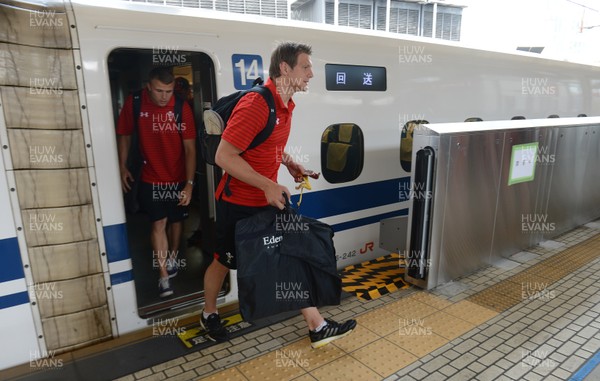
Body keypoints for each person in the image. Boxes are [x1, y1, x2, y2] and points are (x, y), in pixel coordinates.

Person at [201, 42, 356, 348]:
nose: (311, 73)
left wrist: (290, 163)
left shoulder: (285, 105)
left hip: (268, 203)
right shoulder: (257, 104)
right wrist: (267, 184)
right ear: (285, 68)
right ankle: (209, 314)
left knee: (291, 255)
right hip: (238, 205)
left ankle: (317, 326)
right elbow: (224, 156)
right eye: (305, 66)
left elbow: (265, 143)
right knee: (223, 262)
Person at [117, 67, 196, 298]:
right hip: (151, 177)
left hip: (178, 177)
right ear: (148, 87)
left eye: (169, 91)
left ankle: (172, 256)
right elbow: (125, 134)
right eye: (159, 91)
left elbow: (190, 148)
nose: (164, 96)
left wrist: (189, 184)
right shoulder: (136, 102)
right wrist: (122, 165)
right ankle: (163, 276)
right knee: (158, 224)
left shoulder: (181, 107)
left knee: (176, 220)